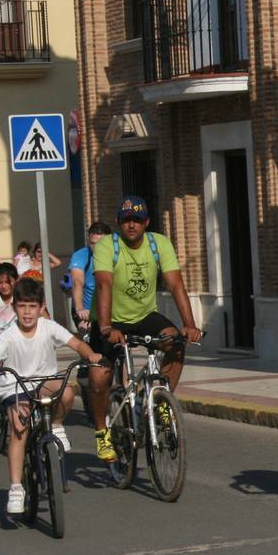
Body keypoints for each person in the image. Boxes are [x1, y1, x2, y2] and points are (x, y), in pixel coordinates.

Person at [86, 196, 204, 462]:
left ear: (146, 222)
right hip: (110, 320)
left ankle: (161, 402)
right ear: (118, 222)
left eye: (137, 220)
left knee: (176, 344)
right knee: (99, 378)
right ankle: (102, 432)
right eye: (126, 220)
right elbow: (104, 284)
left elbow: (175, 284)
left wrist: (189, 325)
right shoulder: (107, 246)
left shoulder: (158, 243)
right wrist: (105, 326)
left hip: (144, 315)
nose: (131, 225)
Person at [0, 278, 102, 515]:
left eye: (33, 306)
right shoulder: (8, 335)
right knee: (19, 429)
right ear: (15, 307)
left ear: (41, 307)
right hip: (14, 388)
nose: (27, 312)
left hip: (43, 382)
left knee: (66, 392)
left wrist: (92, 355)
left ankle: (55, 425)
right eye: (23, 306)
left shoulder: (49, 326)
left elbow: (76, 343)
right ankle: (16, 488)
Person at [67, 222, 112, 330]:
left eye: (100, 244)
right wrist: (80, 309)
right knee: (90, 338)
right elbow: (77, 282)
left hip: (110, 309)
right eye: (92, 243)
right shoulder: (81, 255)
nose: (96, 247)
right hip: (87, 311)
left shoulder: (117, 255)